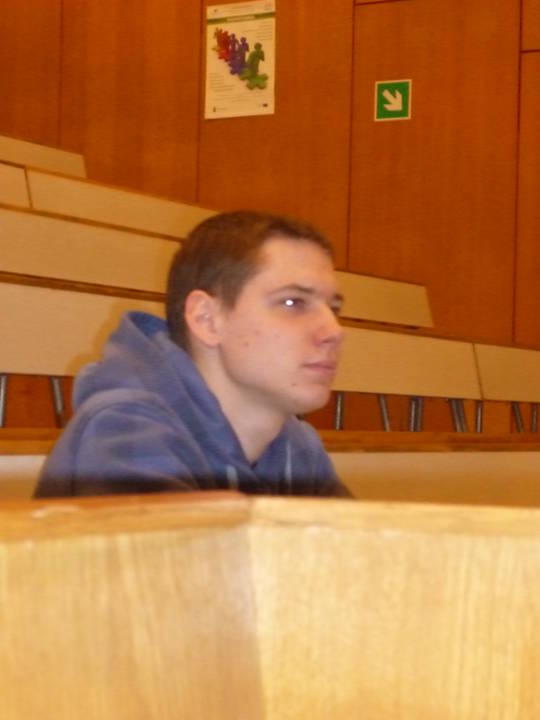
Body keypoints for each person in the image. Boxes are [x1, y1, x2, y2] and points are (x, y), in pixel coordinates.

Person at [35, 210, 349, 497]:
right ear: (206, 319)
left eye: (333, 308)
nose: (334, 331)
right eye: (293, 302)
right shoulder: (126, 429)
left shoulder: (298, 447)